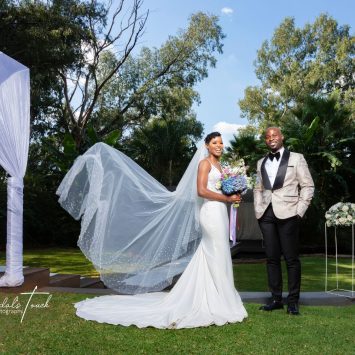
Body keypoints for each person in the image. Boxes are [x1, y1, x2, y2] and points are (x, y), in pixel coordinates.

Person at [57, 132, 247, 328]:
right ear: (207, 146)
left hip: (220, 212)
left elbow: (221, 189)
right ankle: (219, 299)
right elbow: (201, 190)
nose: (219, 145)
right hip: (210, 213)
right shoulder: (205, 164)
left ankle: (217, 295)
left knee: (217, 252)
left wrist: (234, 194)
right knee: (215, 251)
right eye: (215, 142)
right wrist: (227, 199)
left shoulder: (221, 167)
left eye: (221, 142)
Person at [254, 127, 314, 315]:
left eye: (275, 135)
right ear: (266, 140)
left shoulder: (296, 158)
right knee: (272, 259)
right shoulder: (260, 162)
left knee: (291, 259)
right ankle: (276, 299)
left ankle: (293, 301)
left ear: (282, 137)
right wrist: (258, 208)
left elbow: (307, 185)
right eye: (268, 136)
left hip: (289, 213)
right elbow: (258, 187)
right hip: (266, 215)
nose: (271, 138)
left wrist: (299, 211)